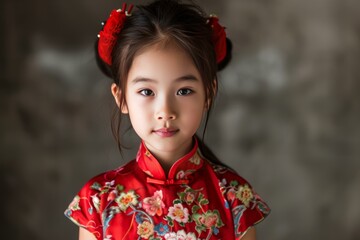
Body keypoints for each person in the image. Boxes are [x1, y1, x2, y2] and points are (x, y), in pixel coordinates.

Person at [64, 0, 270, 239]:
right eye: (146, 92)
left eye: (183, 91)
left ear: (208, 94)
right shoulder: (97, 202)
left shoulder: (235, 198)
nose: (165, 111)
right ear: (121, 98)